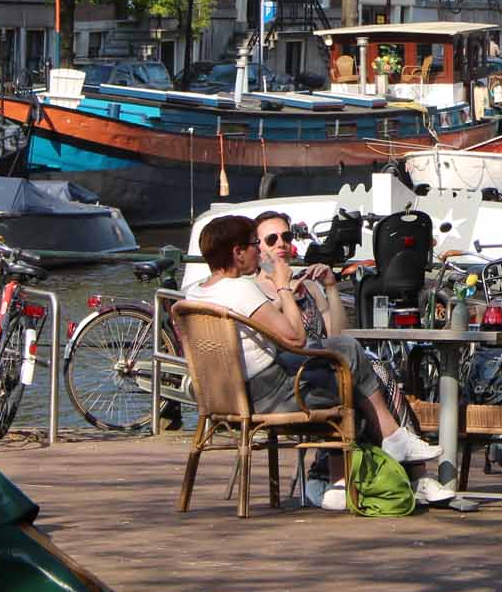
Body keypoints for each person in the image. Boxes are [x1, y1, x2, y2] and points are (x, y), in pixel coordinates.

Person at [183, 214, 447, 510]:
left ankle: (353, 470)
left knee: (349, 359)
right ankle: (377, 458)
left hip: (222, 395)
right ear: (237, 252)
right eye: (256, 243)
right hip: (270, 395)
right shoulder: (241, 289)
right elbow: (295, 339)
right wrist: (283, 288)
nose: (259, 249)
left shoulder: (193, 293)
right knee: (352, 375)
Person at [251, 211, 344, 342]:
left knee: (349, 345)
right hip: (285, 360)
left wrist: (331, 286)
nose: (281, 244)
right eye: (271, 239)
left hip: (321, 358)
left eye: (287, 237)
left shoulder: (307, 286)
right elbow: (254, 334)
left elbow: (338, 337)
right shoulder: (251, 290)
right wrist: (285, 293)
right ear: (256, 246)